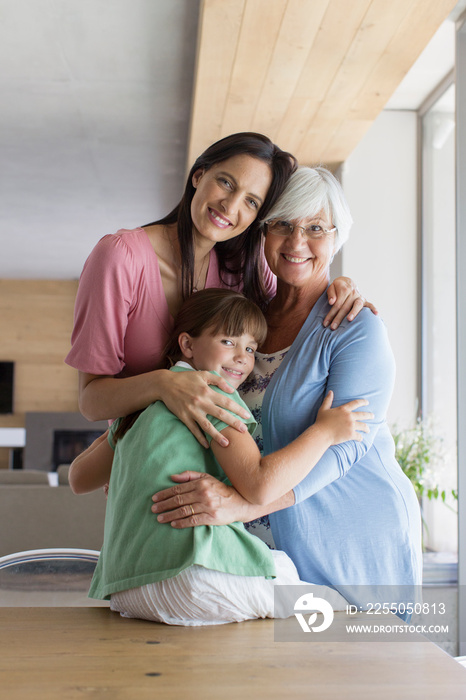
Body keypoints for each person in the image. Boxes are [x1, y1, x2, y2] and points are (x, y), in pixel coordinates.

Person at [151, 167, 423, 620]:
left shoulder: (357, 328)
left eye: (315, 228)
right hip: (273, 552)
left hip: (351, 537)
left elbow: (345, 450)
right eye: (282, 224)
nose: (296, 243)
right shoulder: (246, 322)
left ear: (337, 237)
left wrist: (242, 503)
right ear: (263, 233)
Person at [69, 289, 371, 626]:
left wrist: (129, 446)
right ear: (187, 345)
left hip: (127, 591)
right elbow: (259, 486)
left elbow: (79, 478)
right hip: (193, 578)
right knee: (330, 598)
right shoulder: (212, 396)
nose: (243, 357)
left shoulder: (136, 407)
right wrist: (325, 433)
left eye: (251, 348)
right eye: (229, 341)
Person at [65, 132, 373, 449]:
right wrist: (165, 384)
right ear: (199, 175)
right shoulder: (119, 257)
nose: (231, 205)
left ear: (258, 218)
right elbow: (90, 400)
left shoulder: (243, 272)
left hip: (215, 466)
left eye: (252, 201)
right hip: (147, 457)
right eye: (226, 182)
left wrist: (339, 285)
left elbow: (294, 292)